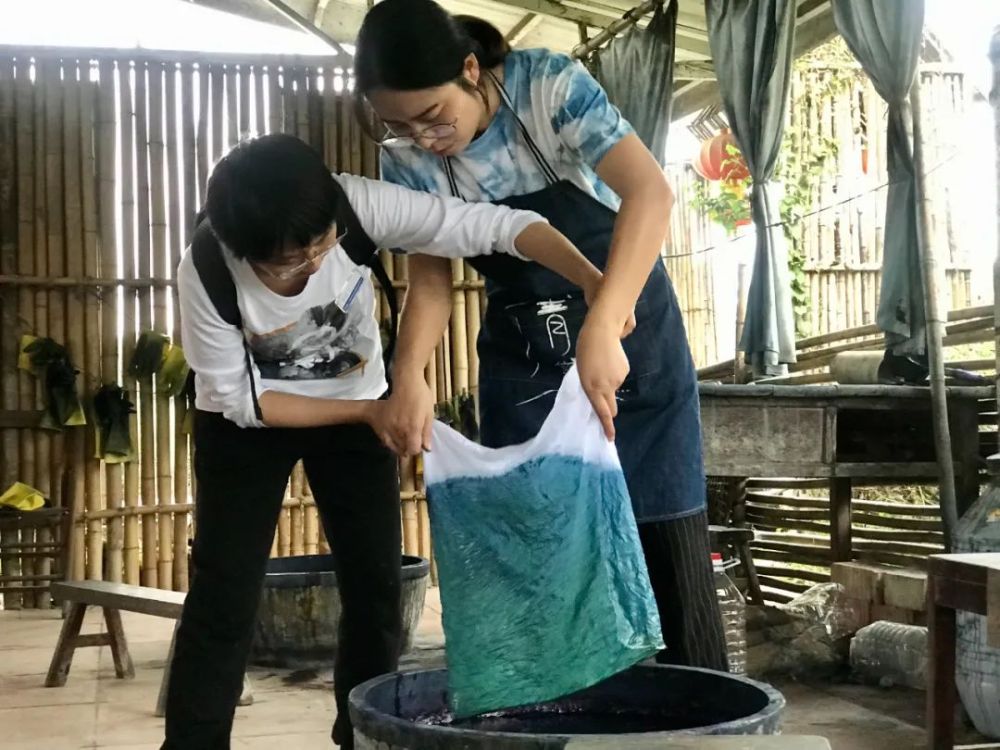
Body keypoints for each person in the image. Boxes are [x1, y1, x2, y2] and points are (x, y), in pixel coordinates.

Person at [162, 133, 611, 750]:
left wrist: (593, 282)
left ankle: (363, 737)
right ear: (241, 249)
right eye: (286, 264)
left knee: (375, 588)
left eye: (320, 246)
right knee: (224, 593)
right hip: (249, 427)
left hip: (360, 409)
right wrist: (371, 410)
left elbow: (500, 226)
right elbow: (242, 401)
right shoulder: (207, 267)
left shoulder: (355, 205)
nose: (311, 266)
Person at [353, 0, 729, 672]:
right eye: (399, 126)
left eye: (434, 116)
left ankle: (698, 709)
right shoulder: (406, 161)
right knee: (538, 528)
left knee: (661, 525)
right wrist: (408, 375)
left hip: (626, 315)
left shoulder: (547, 86)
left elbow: (650, 194)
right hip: (524, 342)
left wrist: (605, 322)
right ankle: (559, 709)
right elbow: (431, 280)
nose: (423, 139)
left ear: (471, 70)